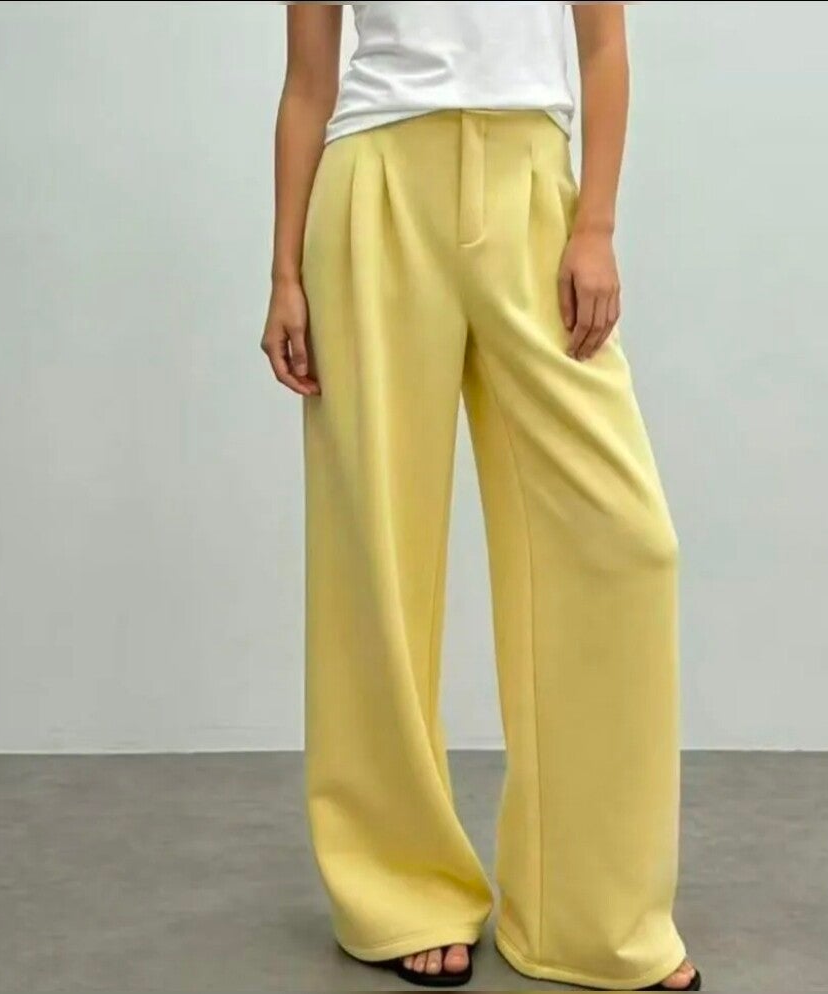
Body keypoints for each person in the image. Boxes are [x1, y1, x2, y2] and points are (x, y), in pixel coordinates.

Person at [261, 3, 700, 990]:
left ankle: (592, 914)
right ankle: (397, 889)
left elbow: (603, 46)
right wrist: (284, 270)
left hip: (530, 188)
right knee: (374, 554)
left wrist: (595, 224)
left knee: (625, 543)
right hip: (371, 189)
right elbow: (306, 84)